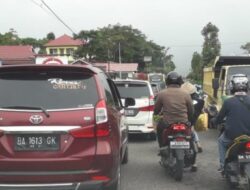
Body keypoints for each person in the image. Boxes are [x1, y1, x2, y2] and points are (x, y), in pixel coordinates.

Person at [153, 71, 196, 171]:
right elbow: (191, 110)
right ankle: (192, 158)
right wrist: (189, 121)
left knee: (159, 129)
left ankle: (162, 148)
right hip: (184, 123)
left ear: (167, 81)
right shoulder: (186, 94)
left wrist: (156, 118)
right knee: (190, 137)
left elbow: (156, 110)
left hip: (167, 123)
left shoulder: (162, 93)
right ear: (180, 82)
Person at [214, 74, 250, 172]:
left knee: (221, 141)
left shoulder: (228, 102)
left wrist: (214, 122)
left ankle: (222, 165)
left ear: (232, 87)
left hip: (232, 136)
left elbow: (219, 118)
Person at [181, 81, 205, 153]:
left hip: (184, 119)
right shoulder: (200, 101)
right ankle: (198, 144)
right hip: (193, 120)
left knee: (191, 128)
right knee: (191, 128)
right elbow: (202, 111)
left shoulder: (181, 100)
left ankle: (197, 144)